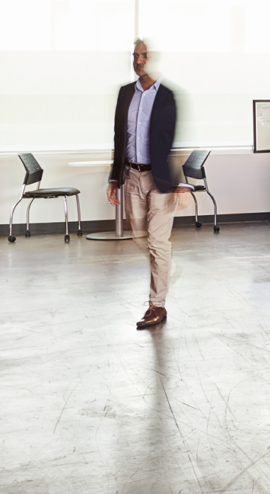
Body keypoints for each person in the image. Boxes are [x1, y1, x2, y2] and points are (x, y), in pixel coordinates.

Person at [107, 40, 192, 330]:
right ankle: (168, 266)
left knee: (157, 243)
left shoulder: (168, 96)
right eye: (135, 56)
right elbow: (120, 137)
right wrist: (114, 177)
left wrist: (180, 183)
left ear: (152, 58)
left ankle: (157, 305)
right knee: (139, 236)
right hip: (131, 176)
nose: (138, 60)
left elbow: (175, 142)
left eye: (143, 55)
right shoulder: (125, 94)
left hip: (160, 181)